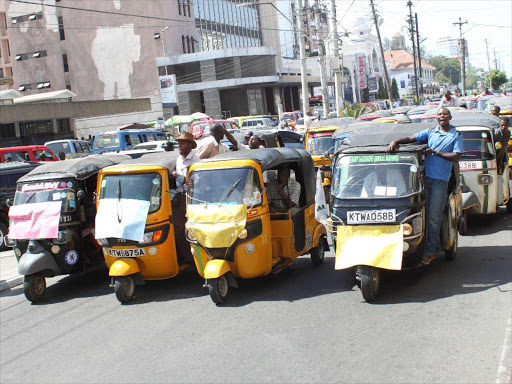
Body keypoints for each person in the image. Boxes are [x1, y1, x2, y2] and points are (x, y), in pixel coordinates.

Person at [387, 107, 463, 265]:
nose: (442, 117)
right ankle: (429, 248)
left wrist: (435, 152)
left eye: (445, 114)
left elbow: (456, 156)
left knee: (434, 218)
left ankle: (430, 252)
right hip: (424, 179)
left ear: (450, 117)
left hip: (440, 181)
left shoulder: (456, 135)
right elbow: (410, 139)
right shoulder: (431, 132)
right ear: (436, 118)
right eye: (440, 114)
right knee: (422, 216)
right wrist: (395, 142)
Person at [171, 132, 199, 263]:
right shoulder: (178, 160)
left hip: (193, 199)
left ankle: (195, 256)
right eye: (178, 143)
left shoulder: (196, 160)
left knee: (193, 229)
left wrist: (179, 177)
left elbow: (197, 182)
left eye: (182, 143)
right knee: (178, 228)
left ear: (189, 145)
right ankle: (185, 257)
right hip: (181, 198)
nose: (179, 146)